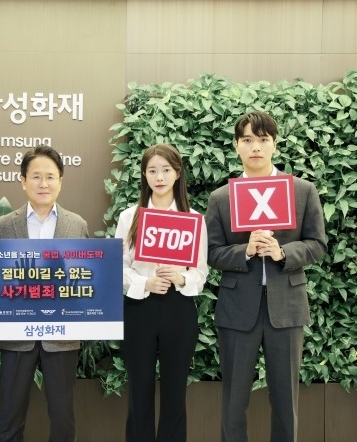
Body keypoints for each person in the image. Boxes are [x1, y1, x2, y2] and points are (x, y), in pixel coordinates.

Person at [205, 111, 327, 442]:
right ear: (236, 146)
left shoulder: (302, 191)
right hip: (237, 308)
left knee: (285, 401)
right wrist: (244, 251)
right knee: (233, 402)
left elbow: (317, 244)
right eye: (247, 140)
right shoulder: (220, 198)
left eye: (263, 139)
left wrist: (282, 252)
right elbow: (211, 252)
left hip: (286, 307)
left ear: (274, 144)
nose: (255, 147)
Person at [0, 144, 89, 442]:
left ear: (61, 181)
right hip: (16, 335)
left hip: (61, 336)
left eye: (50, 177)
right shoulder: (4, 225)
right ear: (23, 181)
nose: (43, 183)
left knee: (63, 419)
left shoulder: (77, 225)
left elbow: (86, 278)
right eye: (36, 176)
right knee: (9, 418)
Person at [115, 144, 208, 442]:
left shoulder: (193, 218)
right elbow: (117, 267)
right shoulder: (129, 217)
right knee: (139, 390)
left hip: (178, 310)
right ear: (144, 175)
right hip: (138, 309)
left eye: (166, 170)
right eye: (152, 170)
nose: (159, 177)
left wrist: (180, 278)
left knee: (175, 392)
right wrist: (145, 283)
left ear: (177, 174)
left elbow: (201, 273)